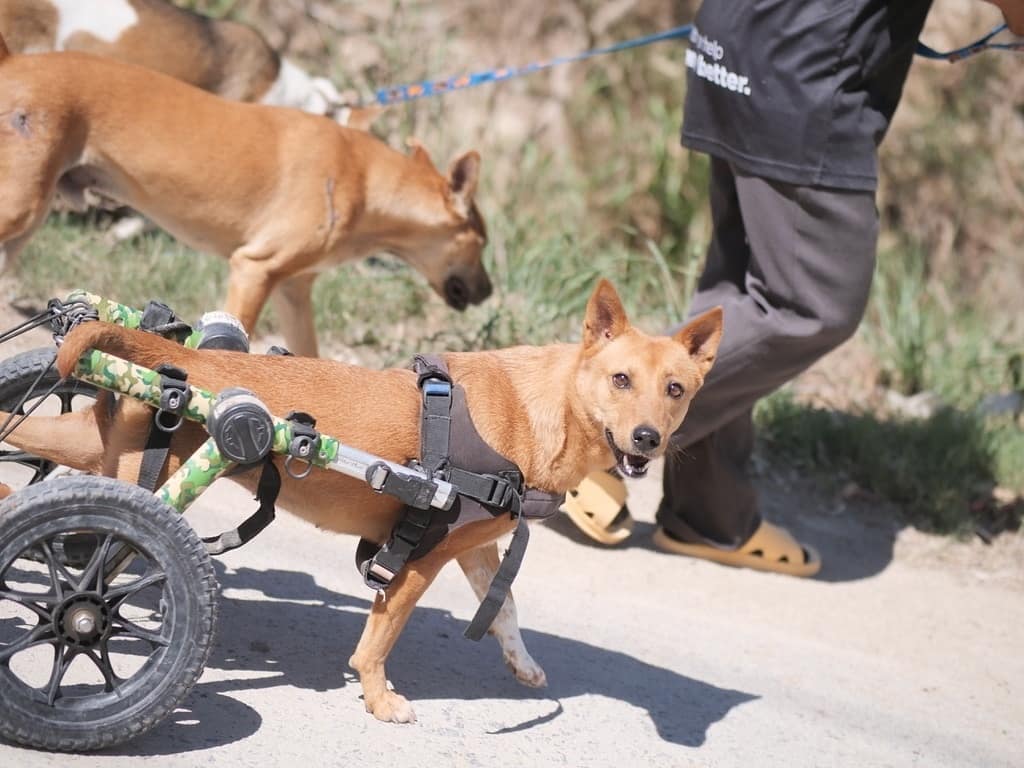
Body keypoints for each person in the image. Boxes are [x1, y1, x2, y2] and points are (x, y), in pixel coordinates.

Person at [562, 0, 1024, 576]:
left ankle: (711, 511)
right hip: (803, 73)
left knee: (733, 297)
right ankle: (590, 442)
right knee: (810, 305)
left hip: (740, 39)